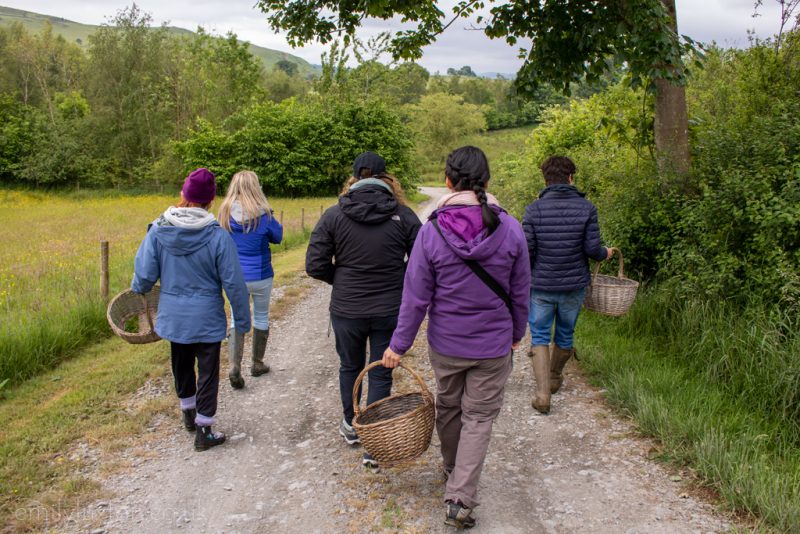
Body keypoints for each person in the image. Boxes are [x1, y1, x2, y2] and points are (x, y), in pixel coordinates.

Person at [382, 146, 531, 529]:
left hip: (447, 344)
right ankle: (460, 496)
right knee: (479, 417)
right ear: (488, 181)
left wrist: (399, 344)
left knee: (449, 408)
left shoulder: (431, 232)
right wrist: (516, 334)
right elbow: (521, 291)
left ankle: (453, 472)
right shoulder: (510, 229)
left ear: (448, 180)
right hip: (493, 345)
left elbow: (415, 297)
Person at [306, 151, 421, 468]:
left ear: (354, 179)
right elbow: (423, 262)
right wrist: (401, 281)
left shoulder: (333, 215)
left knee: (349, 367)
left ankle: (350, 425)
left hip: (347, 308)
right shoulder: (404, 215)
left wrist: (341, 280)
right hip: (389, 307)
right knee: (381, 372)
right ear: (387, 179)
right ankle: (374, 440)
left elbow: (314, 265)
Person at [131, 168, 251, 451]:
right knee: (208, 371)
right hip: (207, 315)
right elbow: (234, 283)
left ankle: (188, 413)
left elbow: (144, 277)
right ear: (210, 201)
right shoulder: (218, 236)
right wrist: (242, 321)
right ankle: (204, 430)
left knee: (181, 364)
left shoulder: (159, 230)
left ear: (183, 195)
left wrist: (138, 286)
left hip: (174, 316)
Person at [521, 156, 612, 414]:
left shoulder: (533, 210)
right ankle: (553, 378)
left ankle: (542, 395)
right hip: (574, 286)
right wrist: (606, 253)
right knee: (564, 333)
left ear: (545, 180)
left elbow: (526, 251)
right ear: (571, 177)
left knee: (539, 334)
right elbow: (592, 249)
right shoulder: (587, 208)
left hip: (541, 286)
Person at [218, 170, 283, 389]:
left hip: (236, 275)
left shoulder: (224, 213)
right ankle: (257, 363)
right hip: (261, 273)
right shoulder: (264, 214)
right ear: (256, 187)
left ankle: (234, 365)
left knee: (237, 318)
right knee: (261, 316)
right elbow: (278, 237)